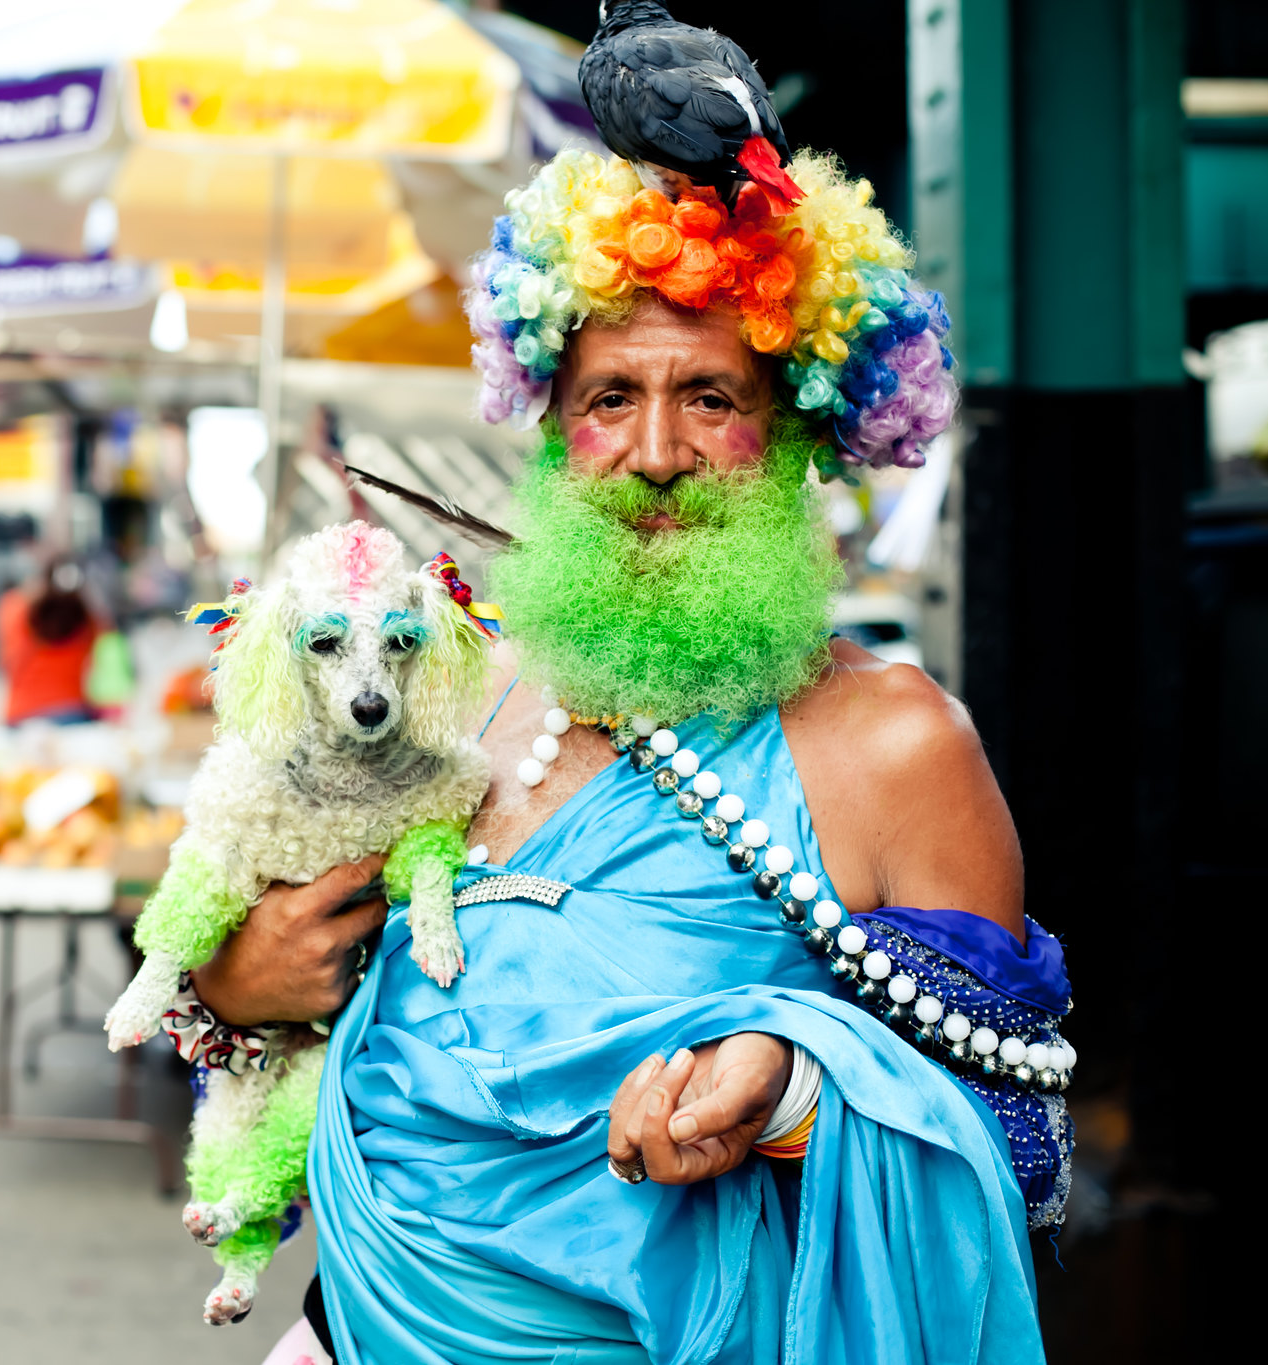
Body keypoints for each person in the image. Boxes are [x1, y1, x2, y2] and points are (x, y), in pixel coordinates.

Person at [182, 147, 1070, 1363]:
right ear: (553, 428)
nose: (656, 453)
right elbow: (270, 1004)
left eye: (710, 396)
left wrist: (797, 1086)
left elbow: (1019, 1144)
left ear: (796, 431)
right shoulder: (446, 699)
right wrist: (235, 986)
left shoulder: (895, 742)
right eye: (610, 399)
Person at [0, 555, 99, 725]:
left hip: (23, 715)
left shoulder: (14, 608)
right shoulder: (87, 618)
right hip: (73, 712)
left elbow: (6, 663)